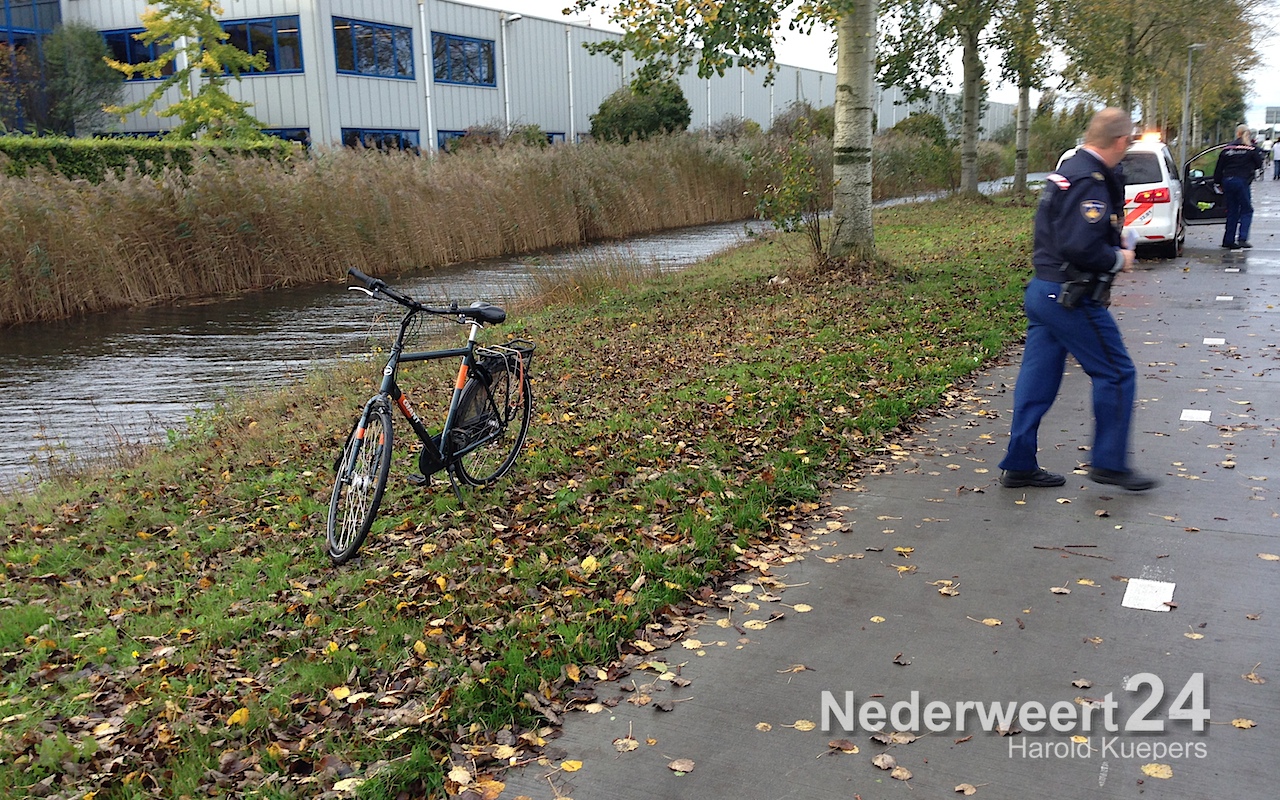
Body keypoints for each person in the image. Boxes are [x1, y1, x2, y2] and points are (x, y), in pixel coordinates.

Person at [999, 107, 1157, 492]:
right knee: (1116, 372)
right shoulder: (1090, 179)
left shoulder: (1069, 170)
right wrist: (1120, 258)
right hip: (1070, 296)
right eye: (1128, 143)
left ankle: (1019, 464)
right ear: (1120, 140)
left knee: (1036, 382)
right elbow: (1079, 245)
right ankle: (1110, 464)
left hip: (1044, 290)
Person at [1213, 124, 1264, 248]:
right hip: (1242, 181)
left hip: (1228, 181)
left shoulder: (1227, 148)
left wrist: (1217, 183)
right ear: (1248, 134)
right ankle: (1242, 238)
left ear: (1237, 133)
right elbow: (1259, 164)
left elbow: (1219, 168)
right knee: (1246, 210)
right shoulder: (1251, 149)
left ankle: (1228, 240)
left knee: (1232, 210)